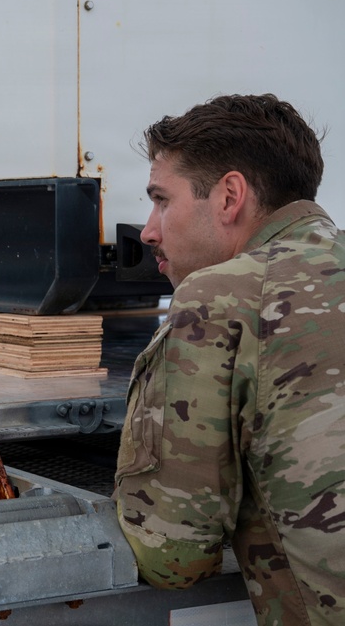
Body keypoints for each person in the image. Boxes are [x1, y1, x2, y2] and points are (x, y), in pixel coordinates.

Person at [114, 93, 345, 626]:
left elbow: (173, 554)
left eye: (162, 201)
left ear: (229, 197)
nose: (148, 229)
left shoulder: (219, 296)